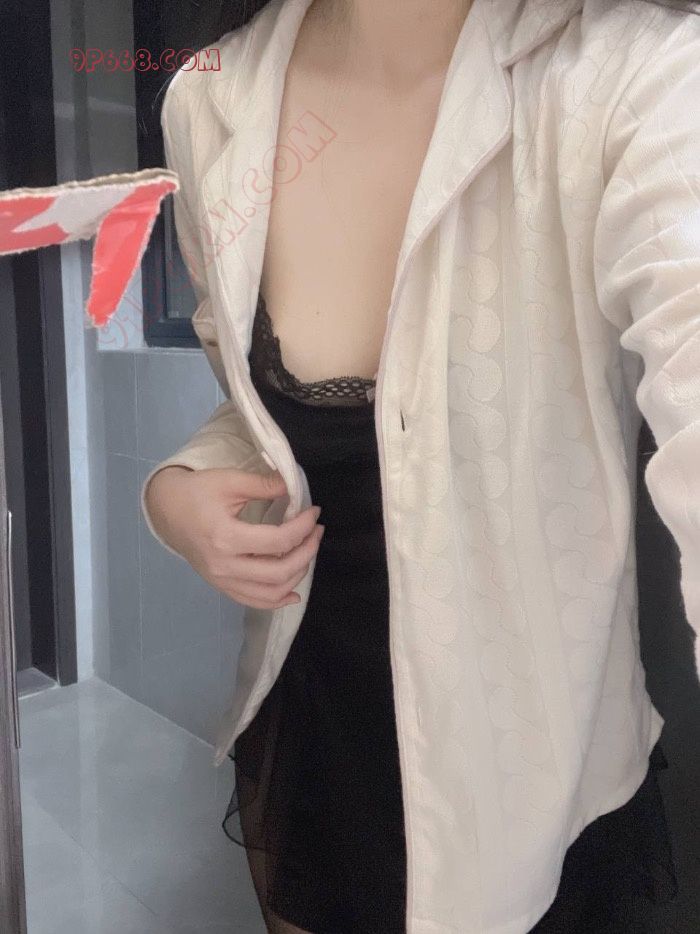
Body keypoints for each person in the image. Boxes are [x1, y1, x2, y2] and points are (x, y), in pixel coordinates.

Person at [141, 0, 700, 930]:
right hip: (313, 718)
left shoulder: (636, 74)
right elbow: (252, 405)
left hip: (532, 766)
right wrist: (173, 494)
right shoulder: (207, 100)